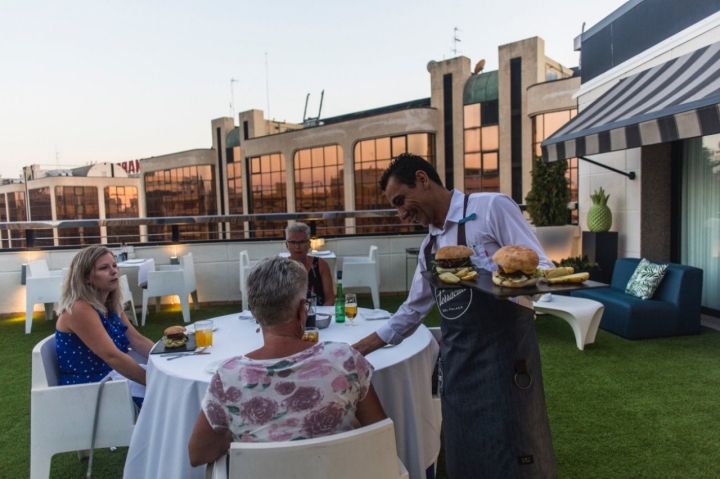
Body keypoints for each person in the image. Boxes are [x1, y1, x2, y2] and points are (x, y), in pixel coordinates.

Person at [352, 153, 557, 478]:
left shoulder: (492, 207)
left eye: (401, 201)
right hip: (458, 370)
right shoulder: (429, 248)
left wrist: (489, 273)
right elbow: (411, 311)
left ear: (422, 178)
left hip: (505, 363)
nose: (402, 214)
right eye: (395, 207)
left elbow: (543, 269)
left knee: (513, 456)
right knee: (466, 460)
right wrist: (356, 350)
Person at [188, 257, 386, 467]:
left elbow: (198, 454)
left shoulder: (228, 377)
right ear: (302, 309)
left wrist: (235, 435)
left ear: (255, 313)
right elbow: (381, 433)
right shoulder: (345, 359)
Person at [55, 245, 154, 408]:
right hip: (91, 388)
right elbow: (112, 356)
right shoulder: (80, 309)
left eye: (114, 265)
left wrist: (164, 360)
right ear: (86, 277)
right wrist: (154, 382)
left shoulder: (109, 305)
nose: (114, 271)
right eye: (104, 268)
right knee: (168, 400)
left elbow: (137, 340)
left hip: (112, 378)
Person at [285, 222, 335, 306]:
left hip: (318, 314)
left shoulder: (321, 265)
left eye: (302, 242)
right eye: (293, 242)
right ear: (287, 245)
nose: (297, 246)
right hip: (290, 317)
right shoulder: (281, 267)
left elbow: (330, 299)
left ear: (309, 244)